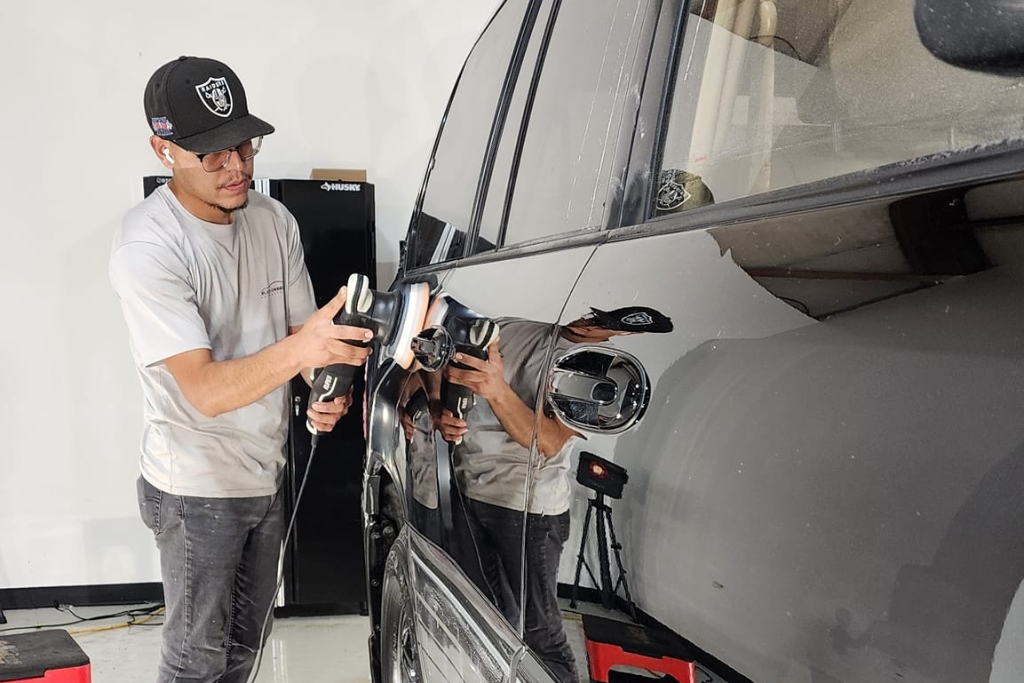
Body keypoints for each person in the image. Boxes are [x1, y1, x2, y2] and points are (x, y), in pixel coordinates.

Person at [108, 56, 373, 683]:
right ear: (165, 150)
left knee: (246, 650)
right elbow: (202, 390)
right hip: (193, 486)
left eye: (244, 146)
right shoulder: (148, 246)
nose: (237, 167)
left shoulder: (273, 219)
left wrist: (324, 384)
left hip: (264, 472)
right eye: (213, 155)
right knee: (196, 661)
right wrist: (303, 354)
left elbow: (299, 331)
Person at [438, 306, 673, 683]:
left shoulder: (599, 372)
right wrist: (440, 408)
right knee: (486, 612)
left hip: (528, 512)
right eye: (595, 313)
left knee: (539, 632)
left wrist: (496, 390)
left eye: (605, 324)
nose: (591, 323)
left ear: (623, 334)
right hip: (469, 488)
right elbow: (444, 366)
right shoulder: (509, 327)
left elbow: (547, 441)